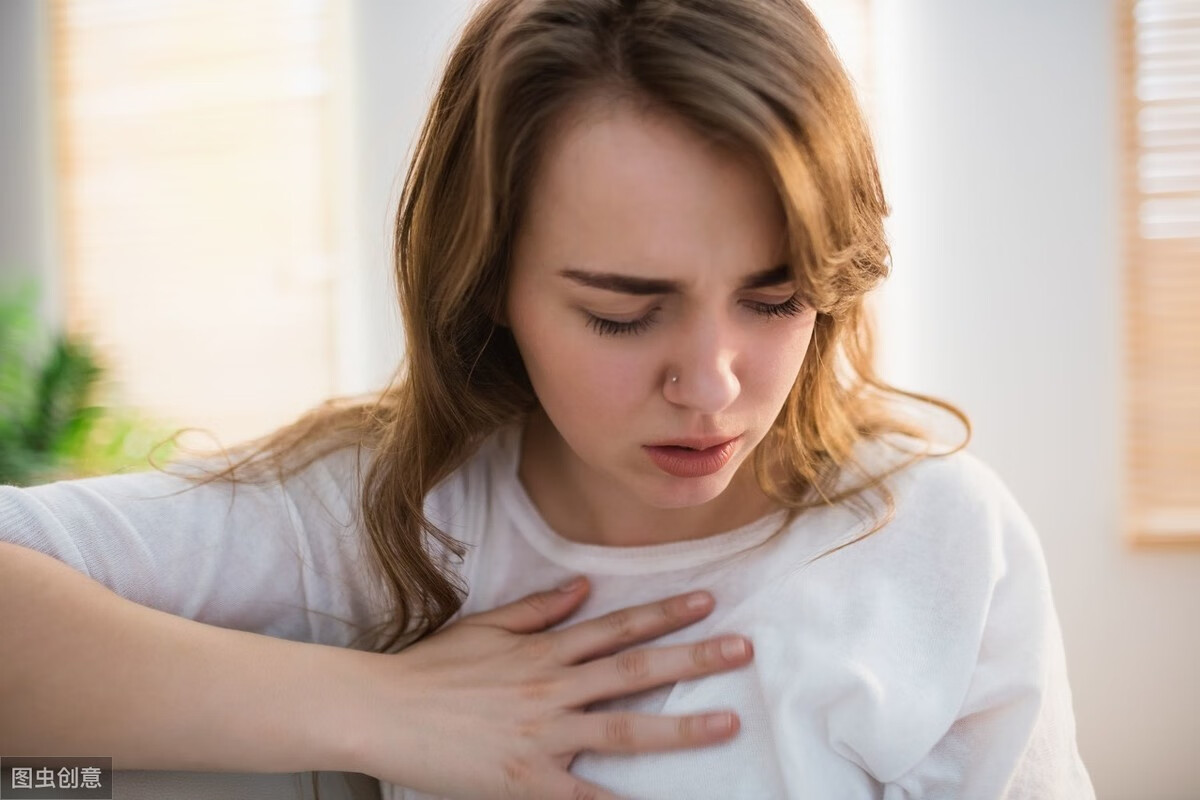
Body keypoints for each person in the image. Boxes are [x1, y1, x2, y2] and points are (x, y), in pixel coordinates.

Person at [0, 0, 1096, 798]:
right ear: (489, 287)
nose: (712, 387)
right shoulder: (379, 512)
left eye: (777, 297)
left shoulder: (943, 535)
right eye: (624, 312)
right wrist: (385, 708)